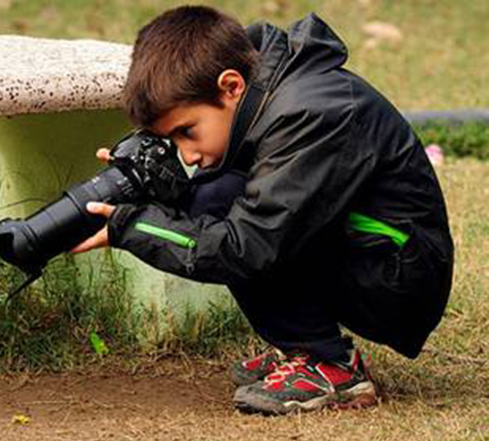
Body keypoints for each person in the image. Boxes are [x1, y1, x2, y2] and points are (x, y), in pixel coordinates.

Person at [71, 5, 454, 415]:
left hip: (399, 274)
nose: (189, 153)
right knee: (213, 197)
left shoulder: (309, 112)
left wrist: (135, 227)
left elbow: (248, 245)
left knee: (228, 216)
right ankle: (302, 347)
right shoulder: (270, 91)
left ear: (231, 86)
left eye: (187, 131)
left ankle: (329, 365)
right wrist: (161, 188)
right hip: (369, 249)